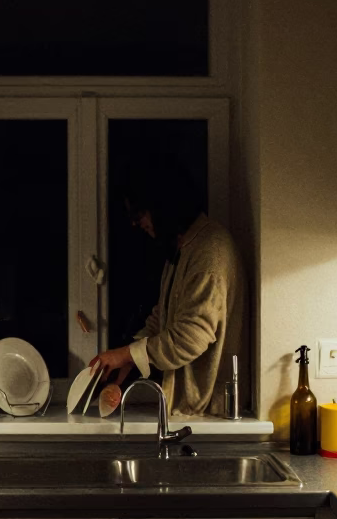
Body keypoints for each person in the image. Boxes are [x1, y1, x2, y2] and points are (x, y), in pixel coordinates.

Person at [88, 166, 245, 416]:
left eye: (139, 213)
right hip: (190, 412)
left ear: (163, 205)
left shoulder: (209, 253)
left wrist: (127, 354)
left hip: (209, 415)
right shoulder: (183, 249)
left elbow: (190, 338)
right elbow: (162, 317)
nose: (135, 222)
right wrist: (130, 358)